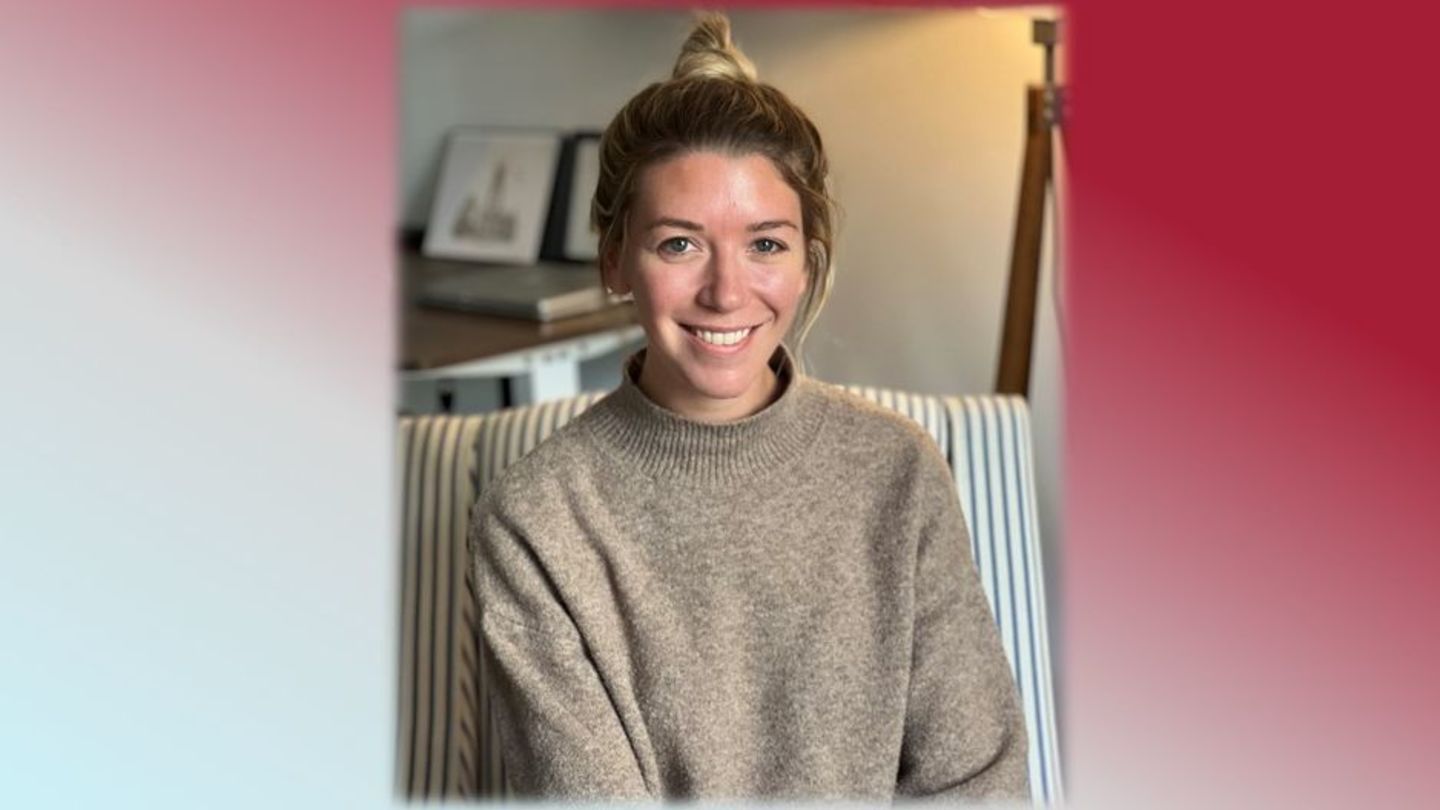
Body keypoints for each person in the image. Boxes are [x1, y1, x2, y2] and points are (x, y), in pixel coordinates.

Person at [469, 13, 1028, 801]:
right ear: (615, 260)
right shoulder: (537, 520)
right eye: (679, 244)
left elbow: (977, 781)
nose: (727, 292)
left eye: (766, 243)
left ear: (807, 262)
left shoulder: (897, 473)